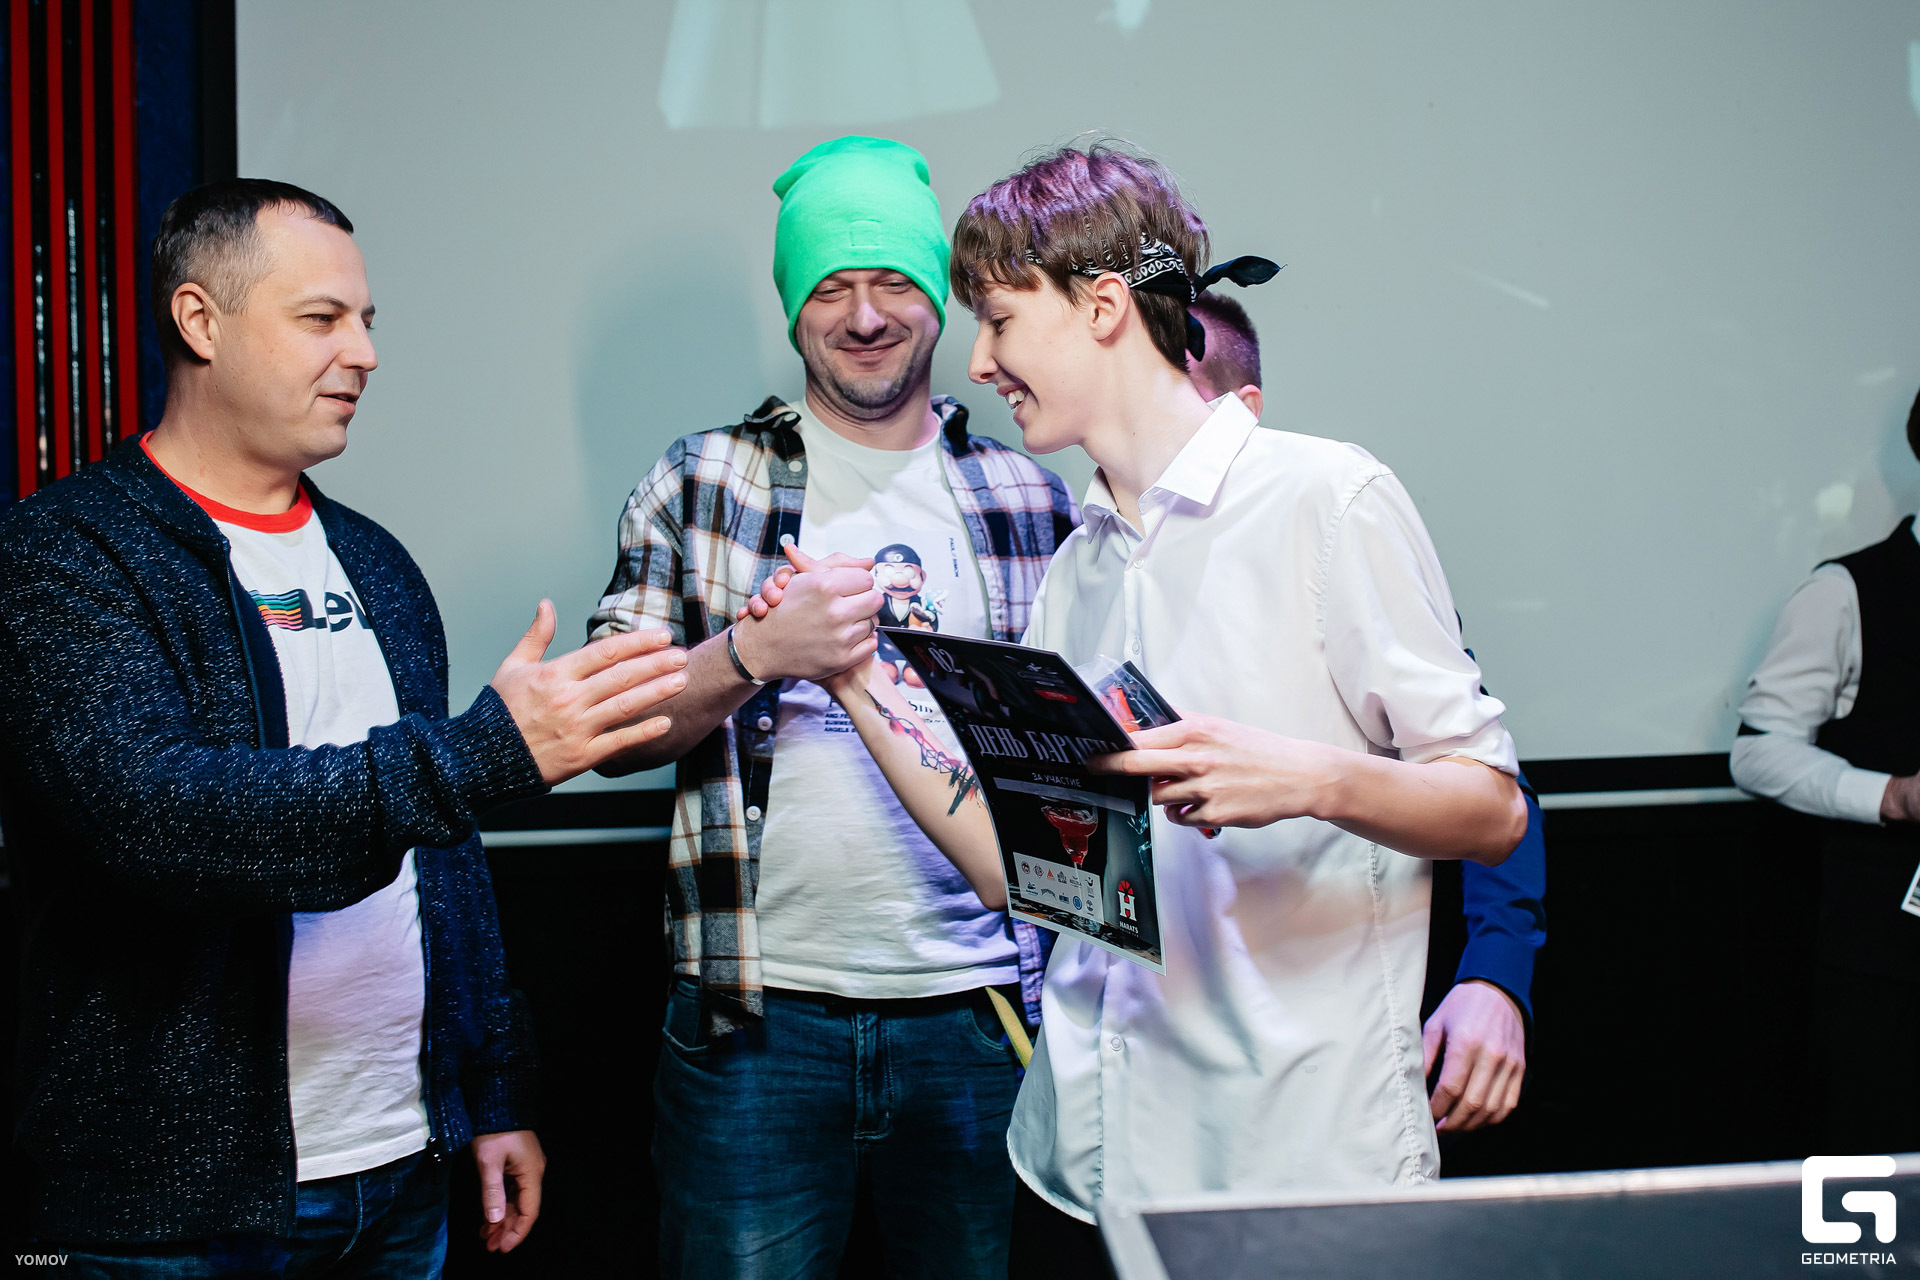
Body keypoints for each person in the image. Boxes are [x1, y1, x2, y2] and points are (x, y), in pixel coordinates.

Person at [791, 142, 1526, 1265]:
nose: (979, 362)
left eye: (999, 321)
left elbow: (1492, 807)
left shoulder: (1328, 499)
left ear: (1101, 307)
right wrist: (852, 675)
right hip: (1076, 1167)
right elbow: (1025, 870)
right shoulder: (1076, 568)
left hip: (1282, 1172)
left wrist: (1308, 778)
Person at [0, 179, 687, 1275]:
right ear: (200, 321)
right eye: (321, 318)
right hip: (171, 1210)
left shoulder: (374, 560)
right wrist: (482, 751)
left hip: (402, 1167)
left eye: (366, 321)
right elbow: (162, 819)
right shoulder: (69, 555)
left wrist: (491, 1090)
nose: (363, 353)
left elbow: (443, 857)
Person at [586, 137, 1076, 1279]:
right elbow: (608, 735)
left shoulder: (1027, 495)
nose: (864, 316)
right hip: (756, 1022)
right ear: (793, 307)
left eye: (894, 280)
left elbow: (1071, 766)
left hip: (981, 1015)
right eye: (829, 288)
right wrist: (754, 653)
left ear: (940, 297)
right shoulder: (702, 481)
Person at [1184, 293, 1546, 1135]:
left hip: (1336, 1049)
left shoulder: (1332, 534)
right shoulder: (1101, 556)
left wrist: (1495, 972)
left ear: (1244, 410)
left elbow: (1484, 777)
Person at [1731, 382, 1920, 1155]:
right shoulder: (1845, 591)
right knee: (1866, 1179)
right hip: (1889, 960)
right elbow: (1759, 749)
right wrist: (1892, 796)